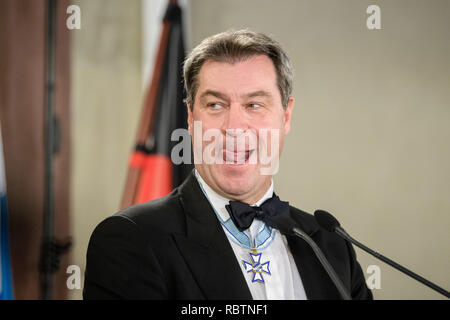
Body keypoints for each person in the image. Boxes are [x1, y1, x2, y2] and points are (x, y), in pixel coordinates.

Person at [83, 29, 372, 300]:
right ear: (191, 117)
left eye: (254, 105)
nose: (234, 127)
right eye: (215, 105)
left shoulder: (331, 245)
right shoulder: (130, 240)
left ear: (285, 117)